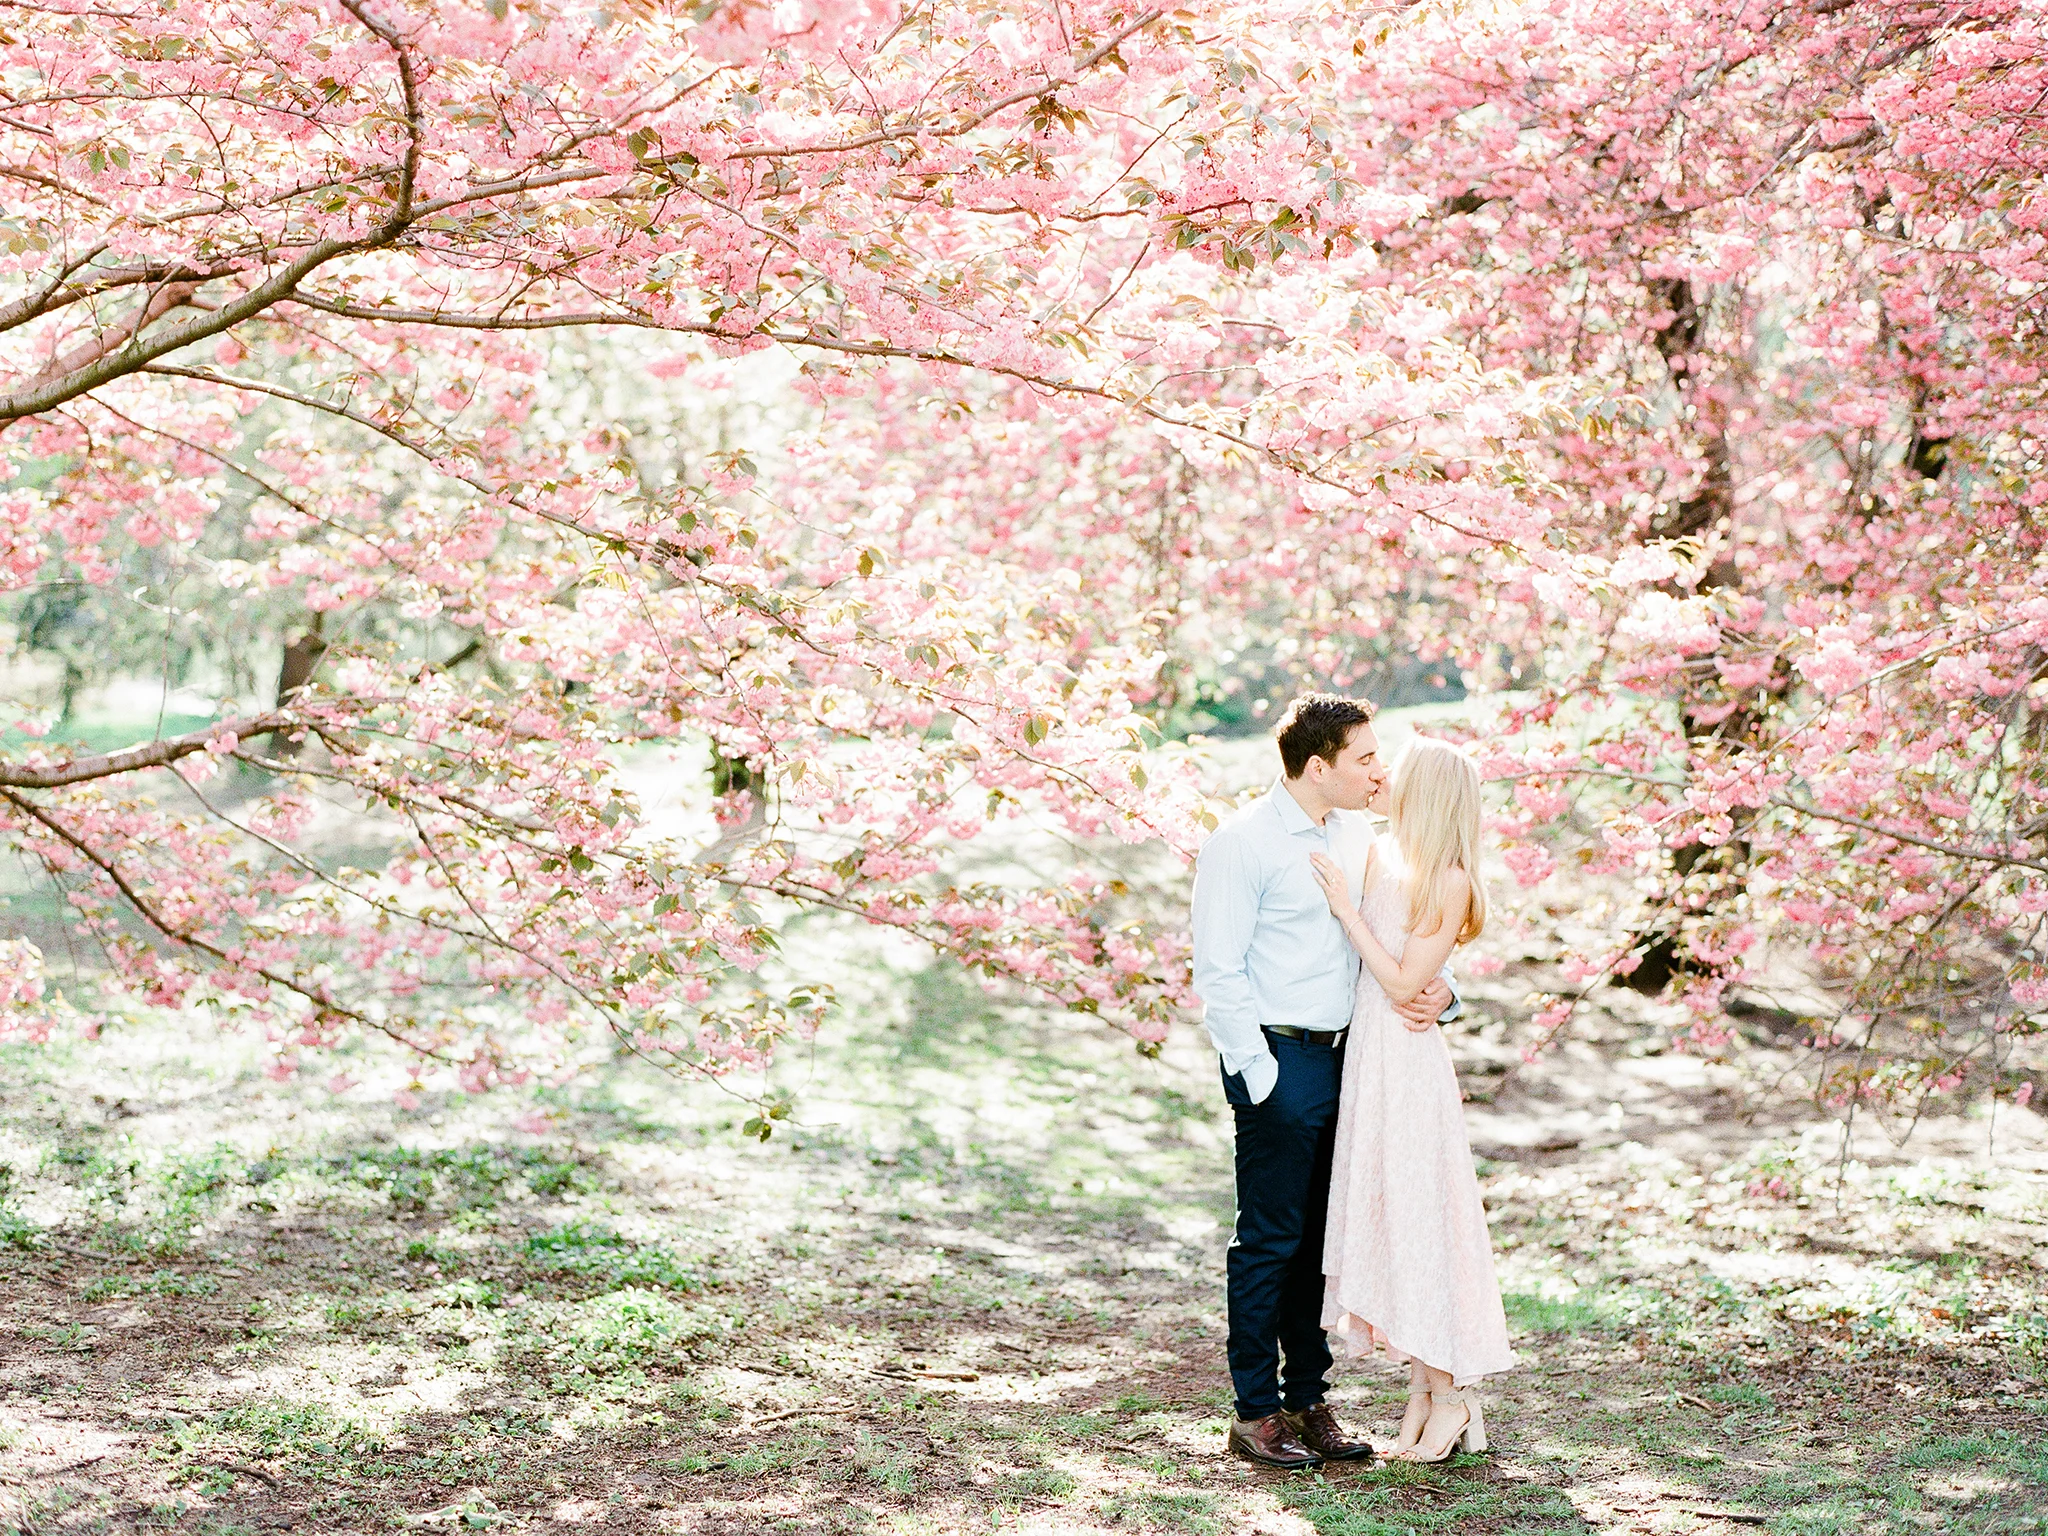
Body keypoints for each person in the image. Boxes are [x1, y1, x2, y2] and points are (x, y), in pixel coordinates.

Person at [1190, 694, 1457, 1469]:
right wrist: (1262, 1075)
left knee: (1321, 1238)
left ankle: (1310, 1401)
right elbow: (1219, 970)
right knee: (1271, 1240)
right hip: (1282, 1059)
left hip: (1358, 1055)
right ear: (1319, 766)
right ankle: (1255, 1412)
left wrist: (1447, 992)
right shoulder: (1242, 843)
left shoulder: (1358, 834)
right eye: (1365, 758)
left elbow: (1404, 936)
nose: (1381, 771)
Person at [1308, 737, 1516, 1463]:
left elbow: (1404, 983)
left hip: (1408, 1063)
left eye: (1394, 769)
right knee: (1394, 1219)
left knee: (1425, 1218)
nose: (1381, 775)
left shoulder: (1449, 877)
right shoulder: (1380, 856)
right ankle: (1426, 1390)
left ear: (1426, 791)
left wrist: (1346, 911)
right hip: (1370, 1057)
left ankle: (1452, 1392)